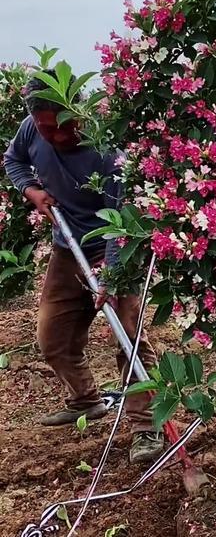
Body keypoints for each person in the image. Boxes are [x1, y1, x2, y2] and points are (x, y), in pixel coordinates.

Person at [4, 70, 164, 464]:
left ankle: (147, 425)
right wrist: (31, 189)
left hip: (116, 245)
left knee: (128, 338)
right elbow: (14, 159)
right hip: (67, 248)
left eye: (63, 127)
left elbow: (121, 220)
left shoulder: (107, 147)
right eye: (46, 130)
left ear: (77, 111)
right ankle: (85, 400)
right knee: (52, 337)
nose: (56, 137)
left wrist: (109, 275)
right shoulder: (31, 128)